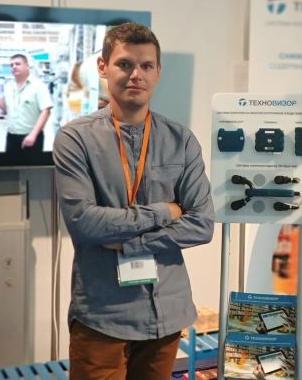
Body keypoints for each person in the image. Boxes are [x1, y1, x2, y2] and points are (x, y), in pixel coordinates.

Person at [52, 22, 215, 379]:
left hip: (166, 314)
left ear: (157, 71)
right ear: (103, 67)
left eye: (146, 65)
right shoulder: (75, 140)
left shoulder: (181, 140)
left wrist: (129, 242)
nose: (135, 74)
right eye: (124, 64)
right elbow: (84, 223)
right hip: (103, 316)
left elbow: (202, 225)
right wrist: (165, 211)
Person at [0, 53, 53, 153]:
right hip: (11, 137)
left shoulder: (38, 86)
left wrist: (33, 135)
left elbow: (46, 111)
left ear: (27, 66)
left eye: (17, 64)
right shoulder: (8, 86)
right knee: (12, 163)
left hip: (32, 137)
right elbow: (5, 108)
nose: (14, 67)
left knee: (32, 163)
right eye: (11, 65)